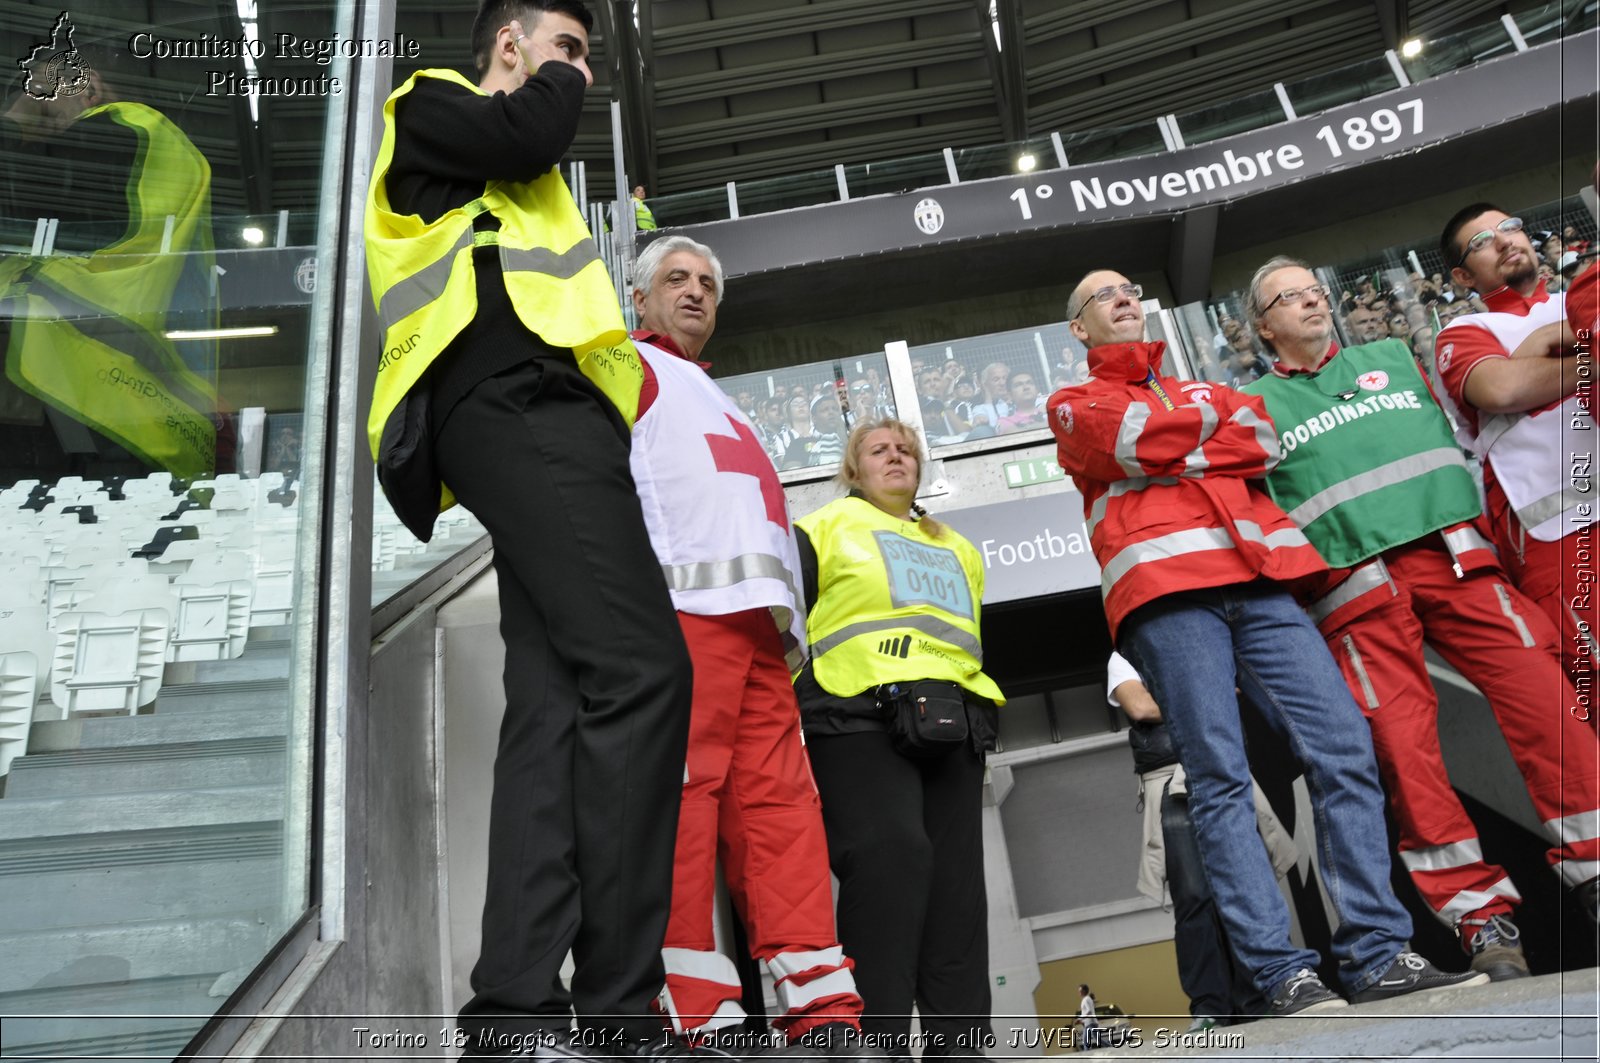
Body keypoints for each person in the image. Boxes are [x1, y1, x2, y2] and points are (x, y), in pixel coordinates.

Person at [363, 2, 694, 1056]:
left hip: (552, 421)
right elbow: (531, 131)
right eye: (567, 47)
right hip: (510, 403)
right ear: (509, 43)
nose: (581, 73)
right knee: (646, 670)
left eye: (585, 56)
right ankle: (619, 1007)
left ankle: (511, 1009)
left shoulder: (532, 178)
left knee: (554, 704)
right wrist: (553, 79)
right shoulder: (435, 106)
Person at [1046, 269, 1484, 1016]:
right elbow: (1129, 441)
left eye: (1130, 287)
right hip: (1165, 596)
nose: (1124, 296)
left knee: (1345, 745)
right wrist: (1204, 443)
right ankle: (1282, 971)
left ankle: (1378, 955)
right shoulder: (1069, 402)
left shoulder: (1202, 391)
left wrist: (1175, 448)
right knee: (1218, 777)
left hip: (1261, 582)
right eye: (1103, 295)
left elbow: (1262, 438)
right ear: (1080, 329)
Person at [1242, 255, 1600, 979]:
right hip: (1358, 596)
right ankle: (1480, 918)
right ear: (1261, 326)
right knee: (1409, 758)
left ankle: (1597, 863)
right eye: (1291, 296)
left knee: (1549, 703)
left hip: (1461, 565)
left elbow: (1505, 371)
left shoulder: (1394, 356)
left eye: (1318, 288)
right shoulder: (1248, 406)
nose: (1313, 301)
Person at [625, 235, 867, 1051]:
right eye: (675, 280)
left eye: (706, 283)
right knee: (684, 807)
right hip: (682, 612)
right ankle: (697, 1012)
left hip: (762, 632)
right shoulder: (624, 367)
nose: (694, 292)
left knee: (783, 813)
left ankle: (823, 1009)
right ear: (638, 298)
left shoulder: (713, 394)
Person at [794, 419, 1004, 1058]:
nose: (897, 456)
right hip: (854, 714)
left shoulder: (961, 549)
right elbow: (784, 622)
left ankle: (961, 1047)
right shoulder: (820, 529)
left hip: (951, 720)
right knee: (891, 858)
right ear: (852, 470)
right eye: (879, 449)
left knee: (955, 892)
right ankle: (871, 1040)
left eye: (907, 448)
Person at [1432, 204, 1598, 692]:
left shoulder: (1579, 296)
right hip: (1558, 536)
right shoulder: (1463, 333)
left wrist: (1551, 340)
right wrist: (1590, 347)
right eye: (1482, 242)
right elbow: (1502, 391)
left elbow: (1522, 382)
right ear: (1463, 275)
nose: (1505, 241)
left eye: (1509, 228)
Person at [1111, 654, 1290, 1029]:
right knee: (1194, 899)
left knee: (1245, 889)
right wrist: (1207, 700)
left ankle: (1258, 999)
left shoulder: (1204, 641)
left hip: (1223, 772)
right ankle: (1210, 1007)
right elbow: (1140, 707)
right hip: (1170, 780)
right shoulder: (1124, 658)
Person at [1075, 985, 1098, 1050]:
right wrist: (1081, 1020)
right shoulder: (1086, 999)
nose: (1079, 992)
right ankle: (1087, 1056)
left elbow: (1089, 1011)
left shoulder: (1086, 999)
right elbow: (1086, 1012)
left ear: (1084, 991)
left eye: (1080, 991)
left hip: (1091, 1023)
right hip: (1087, 1023)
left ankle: (1110, 1047)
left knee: (1097, 1040)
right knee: (1086, 1042)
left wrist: (1080, 1018)